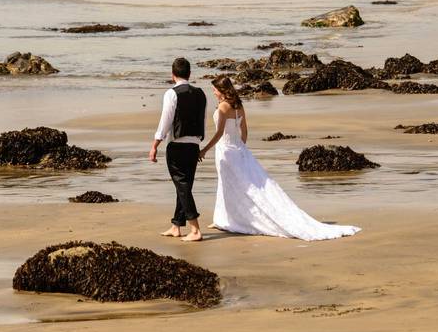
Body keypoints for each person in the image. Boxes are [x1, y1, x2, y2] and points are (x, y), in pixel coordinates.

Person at [198, 75, 361, 241]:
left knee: (229, 184)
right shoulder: (238, 105)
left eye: (215, 89)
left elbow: (219, 134)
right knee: (239, 184)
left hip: (226, 150)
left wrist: (204, 150)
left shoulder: (223, 108)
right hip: (239, 149)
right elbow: (244, 131)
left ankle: (227, 219)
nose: (213, 92)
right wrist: (241, 148)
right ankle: (222, 218)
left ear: (222, 90)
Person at [149, 57, 207, 242]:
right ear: (189, 74)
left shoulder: (171, 93)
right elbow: (203, 119)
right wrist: (199, 141)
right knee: (185, 186)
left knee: (181, 186)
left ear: (172, 75)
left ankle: (195, 229)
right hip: (194, 144)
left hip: (177, 145)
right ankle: (176, 226)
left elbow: (166, 120)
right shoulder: (201, 93)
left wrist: (155, 144)